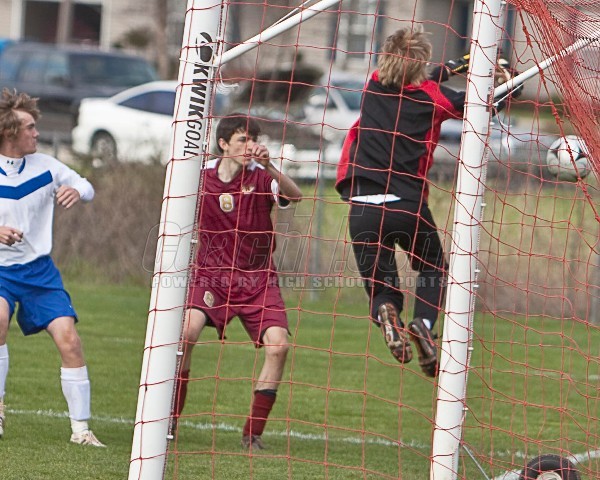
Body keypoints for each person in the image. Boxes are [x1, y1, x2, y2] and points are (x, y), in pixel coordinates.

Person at [335, 27, 516, 377]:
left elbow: (413, 76)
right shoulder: (434, 97)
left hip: (362, 207)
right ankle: (424, 323)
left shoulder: (373, 85)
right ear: (421, 63)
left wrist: (453, 66)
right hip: (406, 205)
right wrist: (509, 81)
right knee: (434, 269)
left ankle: (388, 313)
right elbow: (483, 106)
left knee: (383, 289)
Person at [173, 113, 303, 450]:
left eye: (254, 139)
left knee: (279, 347)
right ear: (223, 144)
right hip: (211, 276)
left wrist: (271, 166)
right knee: (185, 334)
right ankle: (168, 420)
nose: (251, 146)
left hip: (258, 280)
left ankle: (252, 434)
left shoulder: (261, 177)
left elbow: (296, 196)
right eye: (243, 139)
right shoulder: (199, 177)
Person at [0, 89, 104, 446]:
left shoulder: (46, 166)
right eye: (29, 127)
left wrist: (78, 191)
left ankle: (81, 431)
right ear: (10, 132)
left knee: (69, 339)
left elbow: (85, 186)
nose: (37, 132)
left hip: (40, 273)